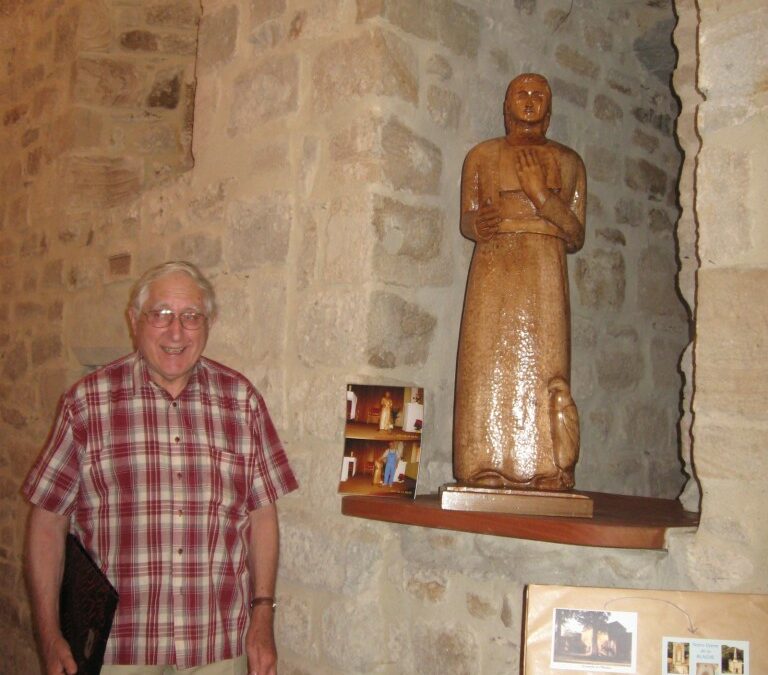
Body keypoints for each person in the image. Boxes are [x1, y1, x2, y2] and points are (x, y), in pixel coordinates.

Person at [23, 261, 298, 675]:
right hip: (118, 647)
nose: (176, 332)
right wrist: (49, 635)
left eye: (191, 317)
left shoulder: (242, 402)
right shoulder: (86, 404)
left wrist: (263, 616)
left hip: (217, 644)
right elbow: (47, 524)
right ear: (135, 320)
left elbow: (261, 517)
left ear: (208, 324)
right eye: (161, 314)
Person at [453, 73, 585, 490]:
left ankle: (549, 467)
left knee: (546, 363)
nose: (530, 101)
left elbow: (576, 233)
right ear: (506, 104)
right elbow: (467, 217)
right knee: (487, 360)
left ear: (549, 108)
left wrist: (540, 195)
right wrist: (479, 223)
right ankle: (482, 464)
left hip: (544, 270)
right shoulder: (481, 156)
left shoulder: (569, 161)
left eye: (539, 95)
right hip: (493, 269)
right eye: (521, 94)